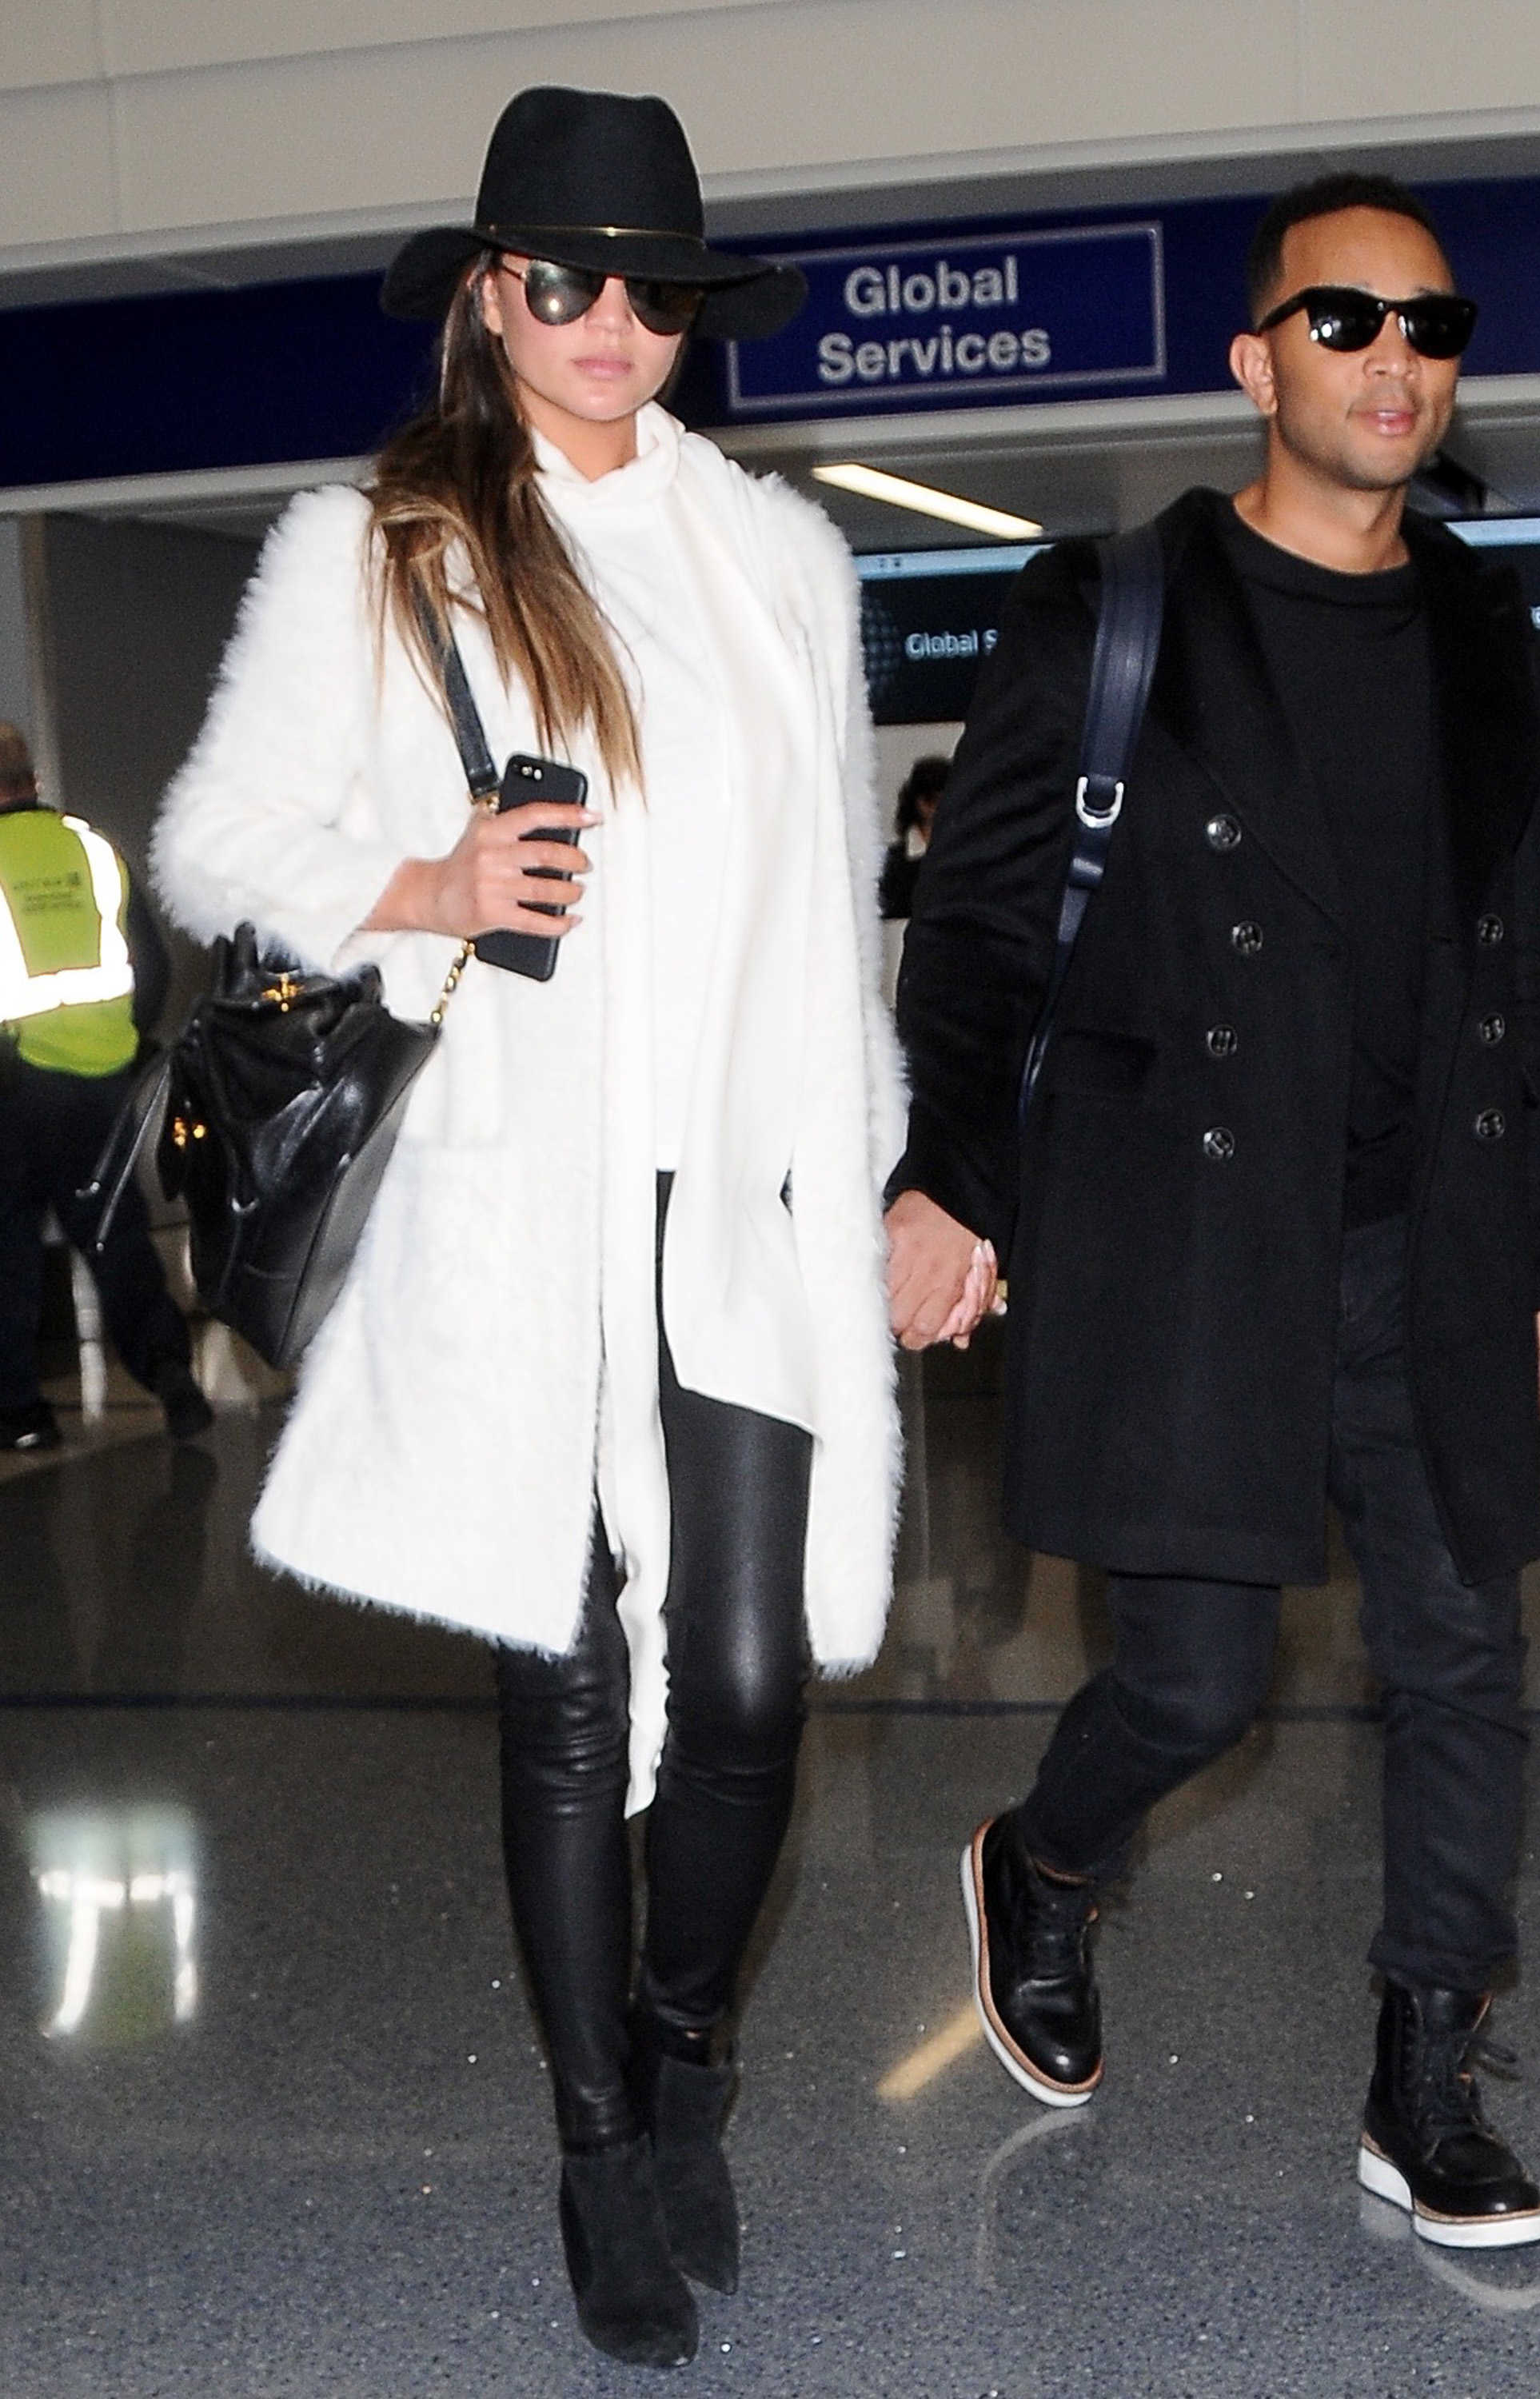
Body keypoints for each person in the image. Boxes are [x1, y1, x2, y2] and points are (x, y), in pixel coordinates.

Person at [155, 86, 932, 2368]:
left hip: (748, 1193)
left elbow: (825, 939)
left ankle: (689, 2044)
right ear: (489, 294)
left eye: (649, 288)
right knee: (573, 1687)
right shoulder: (384, 549)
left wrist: (881, 1171)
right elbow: (217, 844)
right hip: (519, 1205)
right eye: (561, 277)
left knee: (763, 1683)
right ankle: (603, 2143)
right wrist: (426, 889)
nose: (608, 324)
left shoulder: (780, 561)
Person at [884, 172, 1540, 2251]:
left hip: (1425, 1242)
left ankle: (1422, 2078)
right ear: (1254, 359)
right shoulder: (1106, 607)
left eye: (1429, 323)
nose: (1394, 358)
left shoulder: (1475, 628)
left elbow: (1513, 962)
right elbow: (983, 924)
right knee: (1200, 1690)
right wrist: (947, 1174)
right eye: (1344, 320)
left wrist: (1538, 1258)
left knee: (1462, 1658)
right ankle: (1046, 1863)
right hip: (1194, 1234)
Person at [0, 723, 212, 1451]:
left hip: (12, 1090)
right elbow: (149, 968)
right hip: (99, 1082)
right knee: (116, 1237)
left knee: (8, 1252)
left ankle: (22, 1413)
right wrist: (121, 1048)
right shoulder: (94, 849)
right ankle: (171, 1376)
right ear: (29, 779)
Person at [880, 754, 948, 922]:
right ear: (916, 801)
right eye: (930, 799)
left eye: (942, 799)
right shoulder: (893, 863)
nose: (935, 808)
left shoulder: (970, 856)